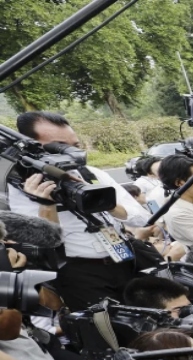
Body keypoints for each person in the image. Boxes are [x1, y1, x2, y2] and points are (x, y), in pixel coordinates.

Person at [8, 111, 150, 311]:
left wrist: (106, 203)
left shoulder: (92, 173)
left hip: (124, 258)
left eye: (75, 146)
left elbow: (141, 219)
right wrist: (45, 203)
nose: (73, 154)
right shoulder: (19, 189)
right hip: (80, 275)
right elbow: (46, 244)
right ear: (32, 147)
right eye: (60, 146)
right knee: (109, 330)